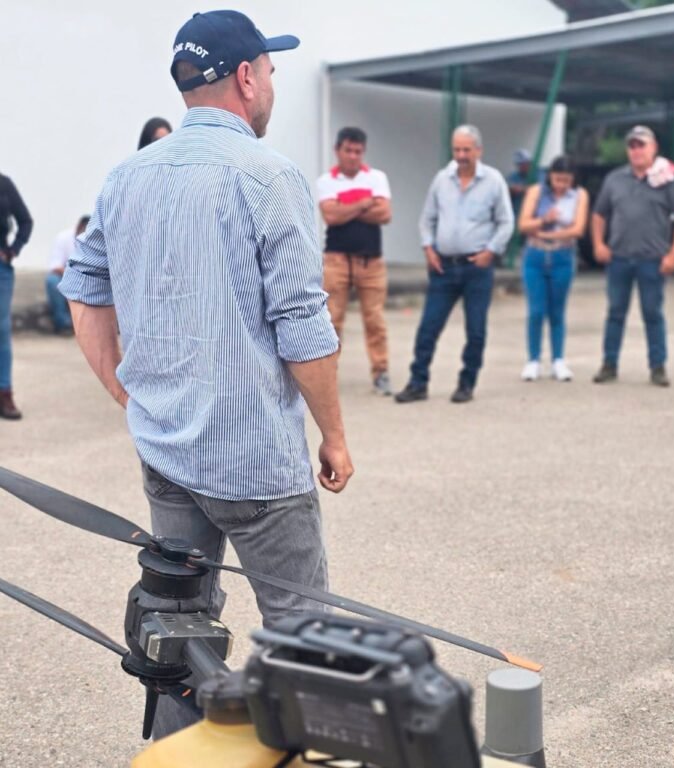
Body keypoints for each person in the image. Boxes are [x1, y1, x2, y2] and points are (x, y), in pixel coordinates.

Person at [59, 10, 353, 738]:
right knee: (301, 628)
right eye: (272, 71)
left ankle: (173, 749)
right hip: (254, 462)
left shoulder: (126, 176)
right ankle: (299, 748)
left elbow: (82, 287)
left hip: (165, 452)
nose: (274, 84)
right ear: (246, 77)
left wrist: (126, 394)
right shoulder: (271, 176)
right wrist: (335, 436)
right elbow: (303, 327)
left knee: (178, 624)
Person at [395, 125, 514, 404]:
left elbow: (506, 222)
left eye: (466, 150)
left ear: (478, 151)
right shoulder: (442, 180)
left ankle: (467, 383)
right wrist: (428, 247)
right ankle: (417, 382)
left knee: (475, 330)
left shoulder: (493, 181)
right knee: (428, 327)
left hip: (477, 268)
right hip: (443, 268)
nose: (461, 155)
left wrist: (491, 251)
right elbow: (427, 218)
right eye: (457, 149)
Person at [592, 125, 674, 387]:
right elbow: (599, 213)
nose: (636, 150)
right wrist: (598, 244)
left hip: (653, 260)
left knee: (653, 313)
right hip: (619, 258)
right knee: (615, 312)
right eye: (632, 145)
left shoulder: (667, 179)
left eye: (641, 145)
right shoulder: (615, 179)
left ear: (654, 147)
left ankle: (658, 367)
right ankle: (609, 363)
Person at [317, 127, 393, 395]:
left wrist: (346, 206)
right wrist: (364, 203)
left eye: (358, 151)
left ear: (363, 152)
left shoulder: (377, 177)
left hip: (370, 262)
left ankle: (381, 372)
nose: (352, 156)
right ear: (338, 150)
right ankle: (327, 376)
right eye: (348, 150)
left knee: (375, 320)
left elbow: (384, 213)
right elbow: (331, 217)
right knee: (332, 320)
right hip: (336, 261)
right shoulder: (327, 180)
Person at [517, 155, 589, 382]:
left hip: (562, 254)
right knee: (536, 310)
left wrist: (550, 233)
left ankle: (558, 359)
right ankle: (533, 360)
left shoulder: (579, 195)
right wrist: (544, 219)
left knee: (557, 310)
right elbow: (524, 224)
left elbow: (578, 229)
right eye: (557, 179)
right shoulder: (537, 192)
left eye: (566, 180)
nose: (561, 185)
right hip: (536, 255)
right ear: (550, 176)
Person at [0, 173, 33, 420]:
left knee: (1, 330)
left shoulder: (4, 184)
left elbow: (25, 221)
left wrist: (13, 251)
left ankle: (4, 394)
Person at [46, 215, 89, 335]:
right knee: (52, 281)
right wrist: (74, 274)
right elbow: (55, 267)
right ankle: (63, 324)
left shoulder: (96, 241)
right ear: (79, 227)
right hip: (67, 276)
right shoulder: (63, 238)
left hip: (89, 279)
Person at [508, 148, 533, 219]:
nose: (523, 166)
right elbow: (506, 188)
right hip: (518, 214)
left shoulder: (539, 174)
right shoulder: (513, 177)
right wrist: (512, 189)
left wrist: (523, 189)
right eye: (520, 164)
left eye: (525, 163)